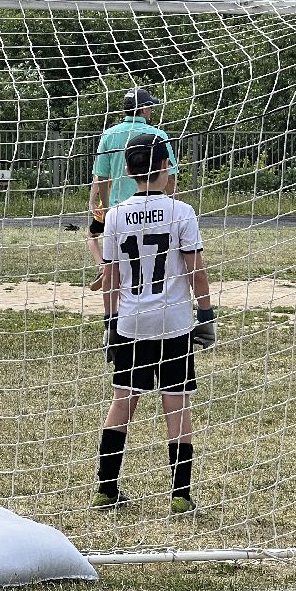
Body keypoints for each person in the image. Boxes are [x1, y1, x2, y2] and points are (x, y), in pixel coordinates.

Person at [94, 132, 213, 514]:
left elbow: (110, 276)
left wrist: (111, 322)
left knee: (122, 402)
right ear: (165, 166)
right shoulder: (183, 212)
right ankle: (180, 496)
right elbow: (196, 270)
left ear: (128, 172)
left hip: (131, 322)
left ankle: (106, 489)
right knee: (176, 408)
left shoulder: (114, 215)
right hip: (174, 324)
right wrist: (206, 315)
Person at [87, 87, 179, 290]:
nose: (152, 109)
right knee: (156, 257)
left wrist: (107, 207)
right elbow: (170, 175)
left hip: (120, 210)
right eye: (151, 106)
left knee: (118, 262)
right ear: (144, 109)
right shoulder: (158, 135)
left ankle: (112, 301)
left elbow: (101, 176)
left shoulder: (109, 135)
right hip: (155, 206)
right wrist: (173, 201)